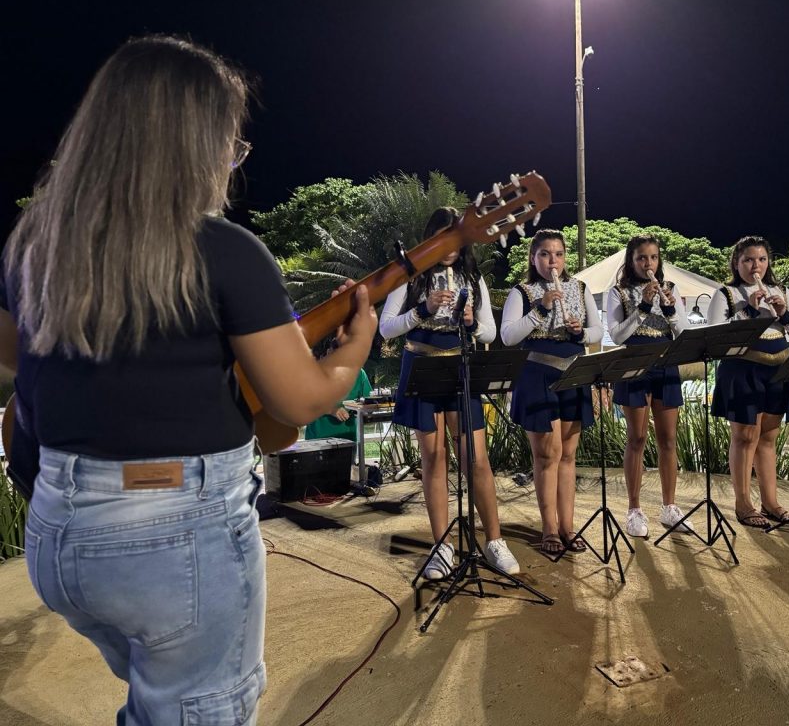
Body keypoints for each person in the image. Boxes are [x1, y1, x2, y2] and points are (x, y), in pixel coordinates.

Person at [0, 35, 377, 724]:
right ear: (193, 145)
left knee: (160, 705)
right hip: (174, 536)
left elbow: (13, 358)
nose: (230, 163)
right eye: (228, 145)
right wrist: (354, 349)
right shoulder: (223, 251)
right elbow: (298, 400)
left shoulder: (34, 241)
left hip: (59, 536)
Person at [379, 207, 520, 580]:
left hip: (461, 367)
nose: (450, 246)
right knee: (433, 457)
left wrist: (473, 324)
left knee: (476, 458)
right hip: (421, 366)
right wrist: (422, 310)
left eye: (456, 237)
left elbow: (491, 332)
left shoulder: (473, 278)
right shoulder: (409, 277)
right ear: (431, 239)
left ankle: (494, 540)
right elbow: (387, 329)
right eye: (443, 237)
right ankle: (441, 545)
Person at [501, 229, 602, 554]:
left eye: (558, 254)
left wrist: (581, 331)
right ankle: (549, 531)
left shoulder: (580, 287)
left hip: (573, 372)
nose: (553, 261)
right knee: (547, 456)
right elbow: (508, 336)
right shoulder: (523, 291)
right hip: (536, 374)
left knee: (569, 456)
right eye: (545, 254)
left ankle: (567, 527)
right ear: (534, 257)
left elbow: (598, 329)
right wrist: (541, 310)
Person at [708, 235, 789, 530]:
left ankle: (771, 501)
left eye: (761, 259)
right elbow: (716, 336)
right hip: (742, 370)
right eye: (748, 260)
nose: (755, 266)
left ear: (768, 262)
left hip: (778, 369)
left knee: (768, 438)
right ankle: (743, 503)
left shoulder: (780, 290)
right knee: (745, 437)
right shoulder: (726, 293)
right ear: (736, 263)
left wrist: (785, 314)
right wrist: (749, 311)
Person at [604, 234, 694, 538]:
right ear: (631, 260)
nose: (648, 263)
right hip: (633, 363)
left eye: (653, 257)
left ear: (659, 260)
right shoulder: (617, 292)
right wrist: (643, 306)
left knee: (668, 439)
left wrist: (669, 310)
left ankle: (670, 507)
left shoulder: (671, 289)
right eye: (642, 257)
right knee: (637, 438)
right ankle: (634, 509)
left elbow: (683, 334)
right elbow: (617, 336)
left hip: (666, 363)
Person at [304, 367, 371, 441]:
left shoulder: (359, 373)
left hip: (349, 438)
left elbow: (369, 402)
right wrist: (332, 410)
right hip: (318, 439)